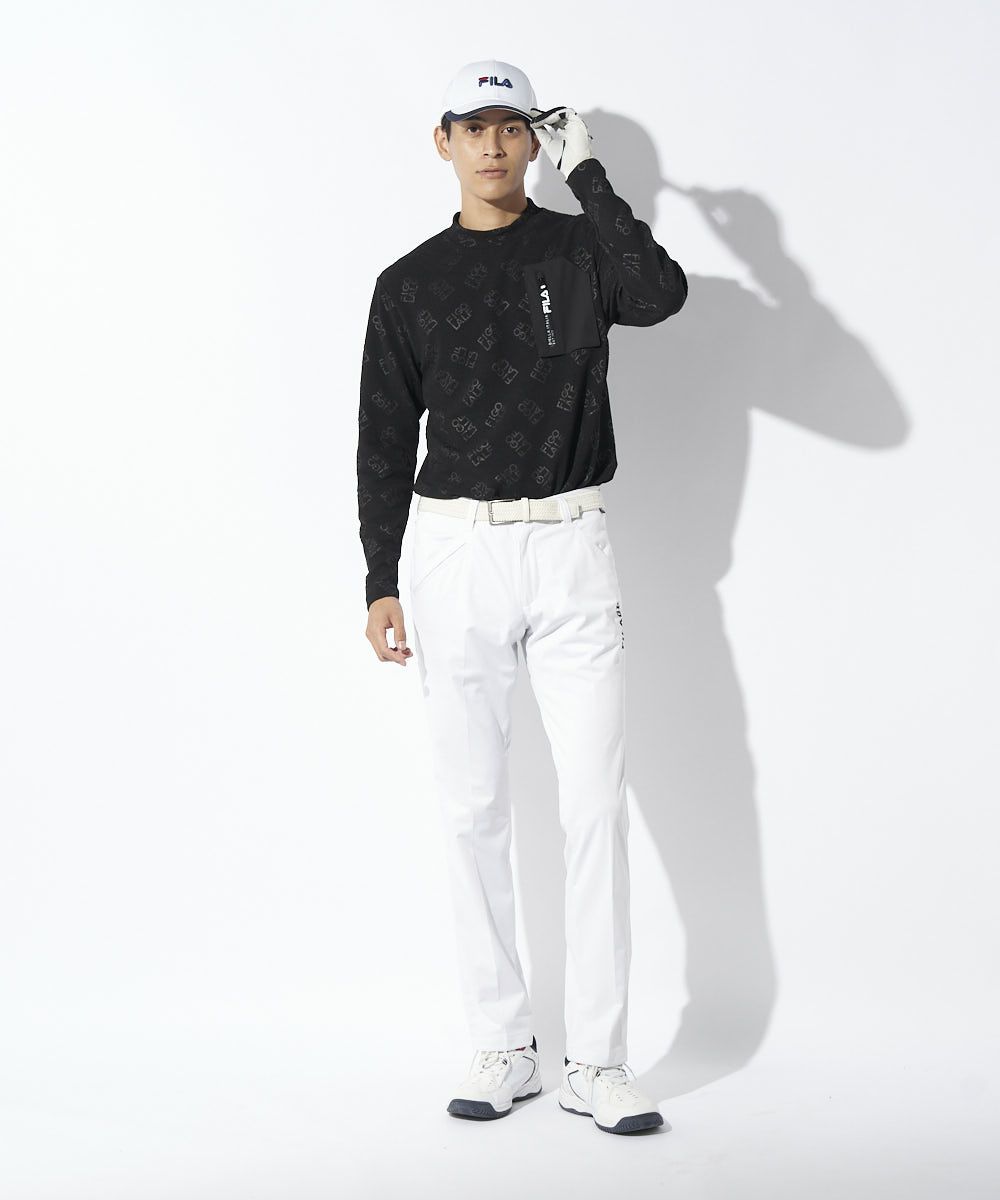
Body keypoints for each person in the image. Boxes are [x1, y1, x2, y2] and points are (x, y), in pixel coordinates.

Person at [356, 59, 687, 1135]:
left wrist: (593, 179)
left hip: (572, 546)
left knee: (593, 802)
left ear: (536, 139)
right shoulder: (409, 282)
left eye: (512, 126)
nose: (494, 145)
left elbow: (661, 295)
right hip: (454, 552)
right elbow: (381, 434)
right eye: (474, 127)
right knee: (472, 806)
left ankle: (597, 1061)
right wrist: (379, 577)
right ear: (443, 141)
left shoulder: (584, 251)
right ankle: (503, 1043)